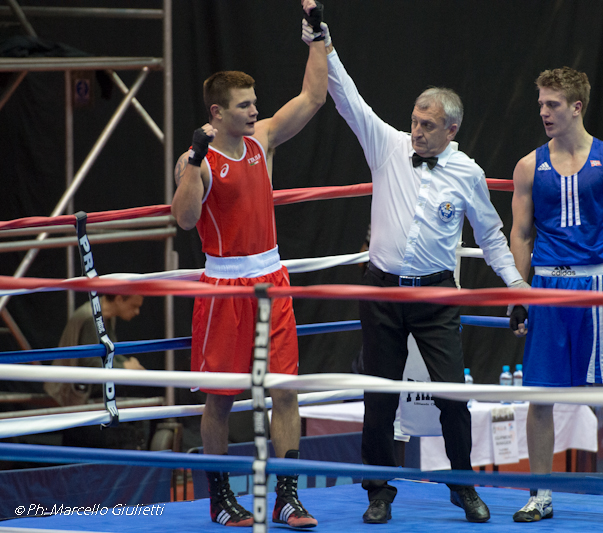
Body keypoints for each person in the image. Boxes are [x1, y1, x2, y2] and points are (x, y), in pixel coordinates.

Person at [324, 28, 525, 525]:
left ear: (450, 130)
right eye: (415, 121)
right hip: (381, 290)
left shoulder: (469, 173)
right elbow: (345, 94)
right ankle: (378, 491)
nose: (416, 131)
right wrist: (322, 42)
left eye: (428, 125)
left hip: (437, 295)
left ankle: (462, 486)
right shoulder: (388, 146)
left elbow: (493, 234)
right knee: (379, 394)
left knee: (452, 395)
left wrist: (517, 287)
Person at [170, 2, 327, 528]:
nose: (254, 111)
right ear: (217, 112)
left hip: (272, 279)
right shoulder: (201, 160)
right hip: (223, 285)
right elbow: (185, 220)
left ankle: (288, 496)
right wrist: (193, 160)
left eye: (255, 102)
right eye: (243, 105)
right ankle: (220, 500)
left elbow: (312, 96)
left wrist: (318, 39)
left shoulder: (262, 142)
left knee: (284, 390)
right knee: (219, 399)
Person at [508, 67, 603, 524]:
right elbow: (521, 235)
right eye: (541, 103)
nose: (543, 111)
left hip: (599, 284)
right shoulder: (529, 166)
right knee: (540, 395)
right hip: (546, 285)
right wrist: (519, 293)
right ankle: (540, 494)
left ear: (576, 107)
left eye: (553, 104)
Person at [45, 294, 145, 407]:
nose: (137, 312)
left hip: (81, 388)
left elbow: (110, 350)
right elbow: (90, 362)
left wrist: (128, 365)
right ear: (119, 299)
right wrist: (124, 367)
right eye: (133, 306)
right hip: (69, 392)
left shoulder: (104, 315)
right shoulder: (91, 317)